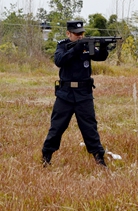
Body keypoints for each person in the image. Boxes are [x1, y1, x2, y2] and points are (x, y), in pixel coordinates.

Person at [41, 20, 109, 167]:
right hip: (65, 94)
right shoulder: (62, 45)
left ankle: (99, 158)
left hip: (84, 94)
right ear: (68, 33)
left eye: (82, 34)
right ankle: (46, 156)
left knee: (90, 127)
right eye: (77, 34)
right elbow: (59, 60)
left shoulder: (86, 45)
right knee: (57, 127)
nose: (80, 36)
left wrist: (103, 47)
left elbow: (99, 57)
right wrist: (75, 49)